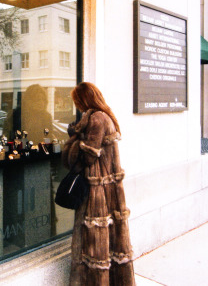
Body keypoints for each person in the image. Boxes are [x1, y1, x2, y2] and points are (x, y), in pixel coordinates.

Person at [62, 82, 135, 285]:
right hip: (109, 189)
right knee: (110, 241)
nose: (76, 104)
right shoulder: (105, 116)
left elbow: (87, 156)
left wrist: (73, 140)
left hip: (98, 190)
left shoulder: (95, 119)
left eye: (77, 100)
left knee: (95, 244)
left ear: (84, 99)